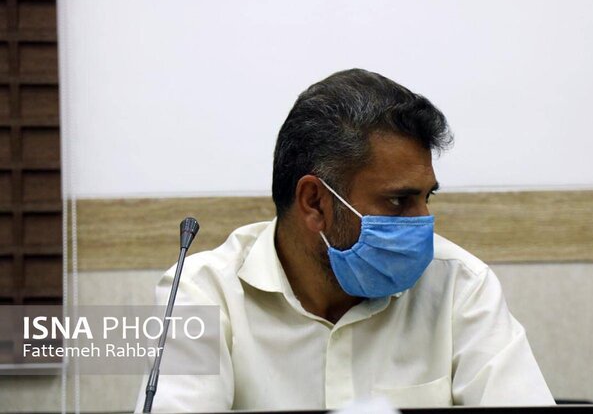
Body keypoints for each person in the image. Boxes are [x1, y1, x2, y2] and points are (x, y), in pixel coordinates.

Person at [137, 69, 555, 412]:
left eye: (426, 198)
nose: (423, 224)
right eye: (398, 201)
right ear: (314, 202)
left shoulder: (459, 284)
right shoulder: (202, 292)